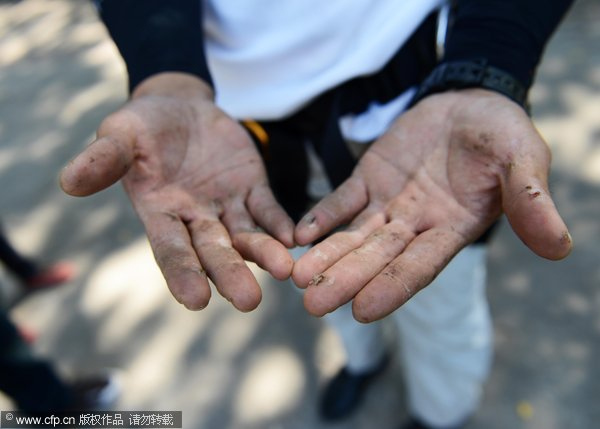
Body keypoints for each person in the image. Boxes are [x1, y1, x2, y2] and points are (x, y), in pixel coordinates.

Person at [60, 1, 574, 428]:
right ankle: (363, 362)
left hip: (418, 122)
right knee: (314, 274)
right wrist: (165, 73)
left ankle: (442, 412)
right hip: (238, 142)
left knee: (441, 301)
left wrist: (487, 67)